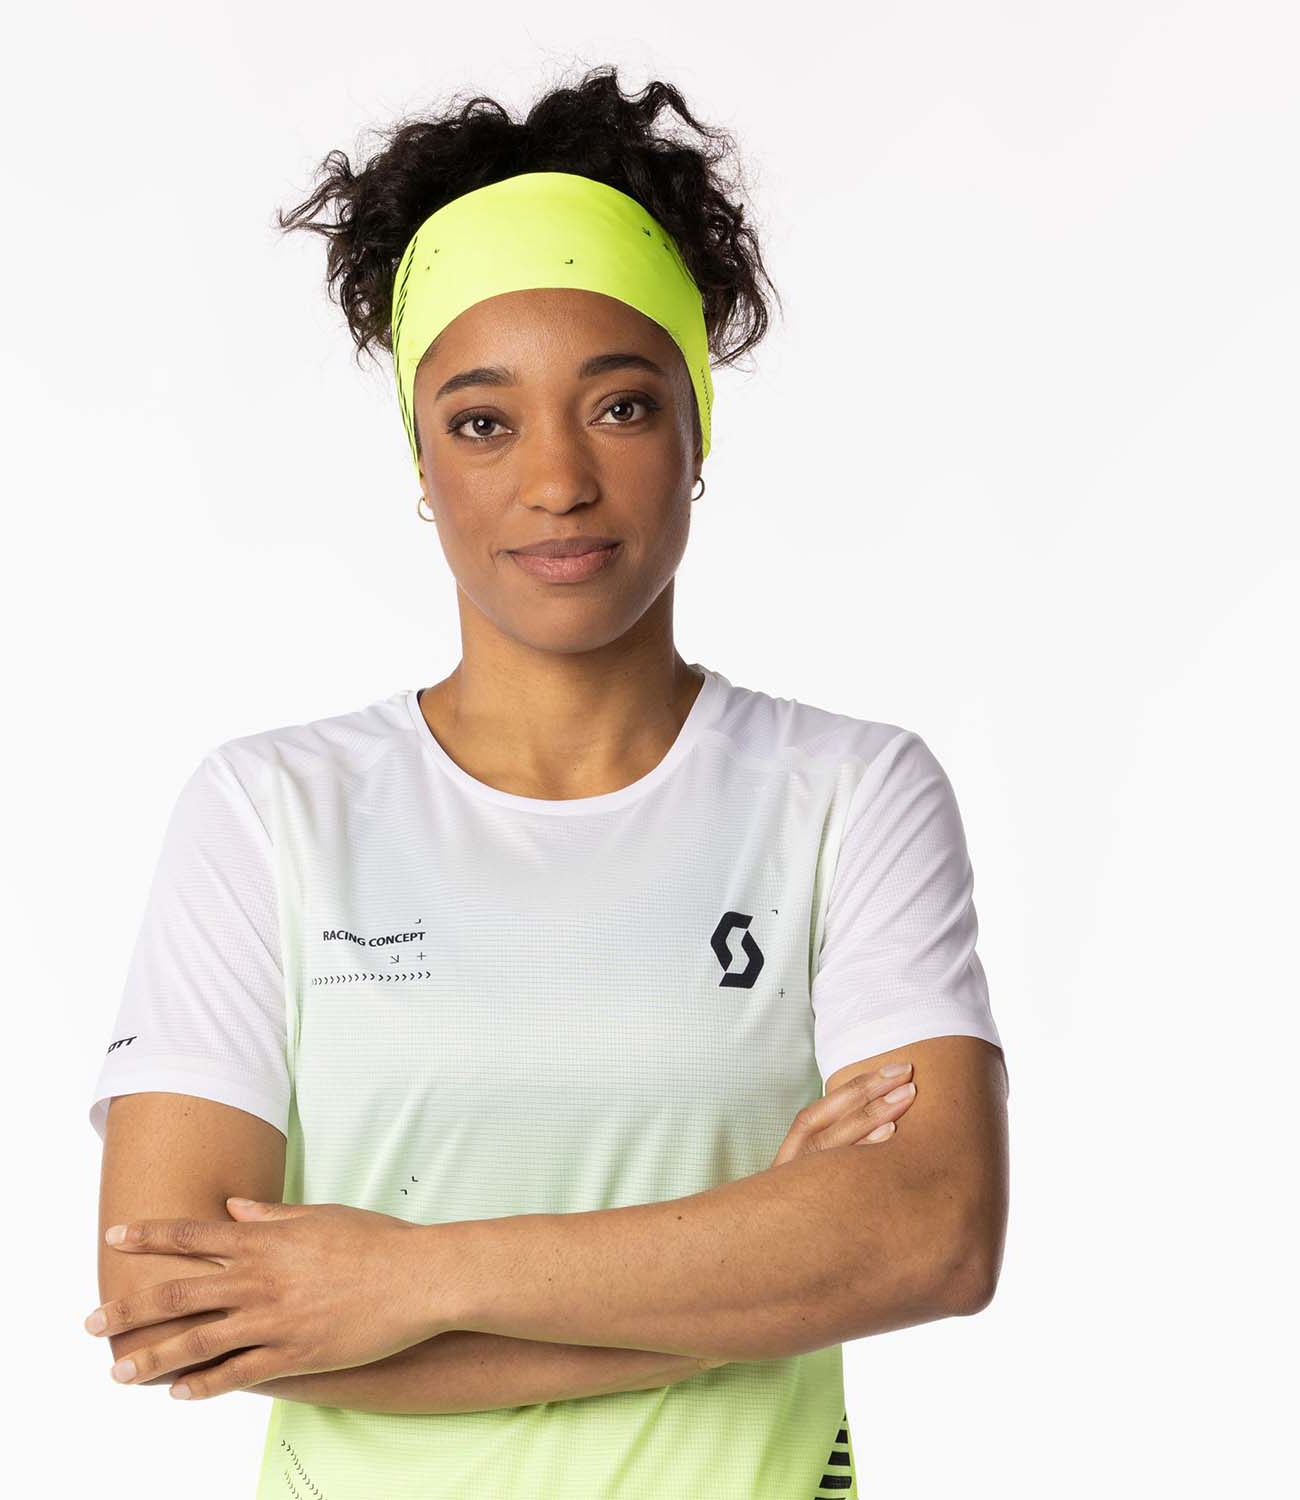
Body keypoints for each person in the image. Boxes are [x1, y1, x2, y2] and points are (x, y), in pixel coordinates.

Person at [87, 65, 1010, 1500]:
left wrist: (403, 1281)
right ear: (419, 459)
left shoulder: (847, 793)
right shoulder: (271, 812)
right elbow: (170, 1307)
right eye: (482, 421)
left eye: (623, 406)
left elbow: (933, 1238)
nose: (558, 480)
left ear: (698, 433)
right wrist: (764, 1259)